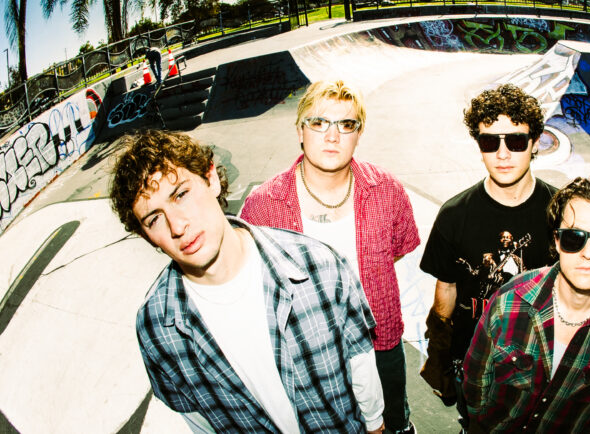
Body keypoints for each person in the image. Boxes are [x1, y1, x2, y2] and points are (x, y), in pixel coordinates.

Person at [109, 131, 385, 433]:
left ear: (211, 179)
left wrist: (374, 424)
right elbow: (199, 421)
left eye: (181, 195)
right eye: (154, 219)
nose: (177, 226)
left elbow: (360, 358)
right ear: (147, 236)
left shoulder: (318, 266)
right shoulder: (156, 327)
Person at [239, 80, 420, 434]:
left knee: (393, 425)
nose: (332, 136)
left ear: (359, 133)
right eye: (319, 122)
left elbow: (395, 252)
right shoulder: (263, 208)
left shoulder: (386, 191)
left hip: (380, 346)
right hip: (306, 358)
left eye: (346, 124)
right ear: (300, 131)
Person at [462, 176, 590, 432]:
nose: (588, 253)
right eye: (574, 237)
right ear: (557, 241)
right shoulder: (509, 301)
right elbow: (475, 383)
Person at [419, 83, 557, 430]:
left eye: (516, 141)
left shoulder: (561, 212)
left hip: (540, 362)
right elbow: (446, 291)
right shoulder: (454, 215)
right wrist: (439, 355)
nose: (502, 154)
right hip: (475, 363)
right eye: (489, 142)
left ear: (535, 142)